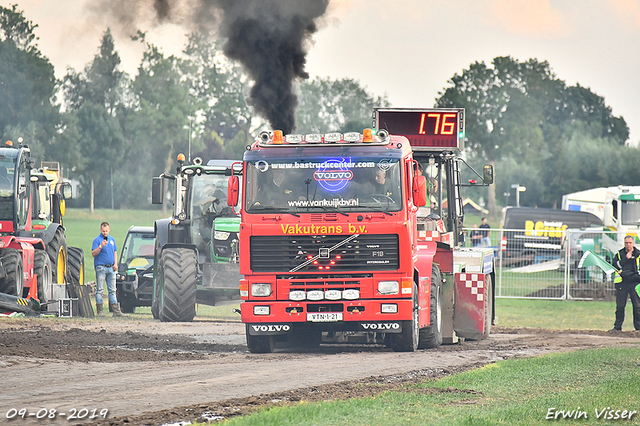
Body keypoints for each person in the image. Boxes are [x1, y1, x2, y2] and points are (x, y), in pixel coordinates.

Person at [91, 222, 124, 317]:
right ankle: (100, 311)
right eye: (103, 231)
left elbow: (115, 252)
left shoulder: (112, 239)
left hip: (111, 268)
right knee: (100, 289)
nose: (105, 233)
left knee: (112, 290)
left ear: (109, 230)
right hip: (101, 267)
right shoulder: (97, 240)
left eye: (106, 231)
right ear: (100, 230)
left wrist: (115, 263)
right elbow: (93, 253)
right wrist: (100, 246)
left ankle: (116, 311)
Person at [610, 235, 640, 332]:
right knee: (620, 306)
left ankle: (638, 328)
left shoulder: (638, 254)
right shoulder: (619, 254)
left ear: (633, 243)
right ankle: (617, 327)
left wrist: (625, 274)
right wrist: (625, 259)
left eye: (630, 243)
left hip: (635, 283)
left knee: (637, 306)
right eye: (626, 243)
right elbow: (615, 265)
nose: (628, 245)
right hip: (622, 284)